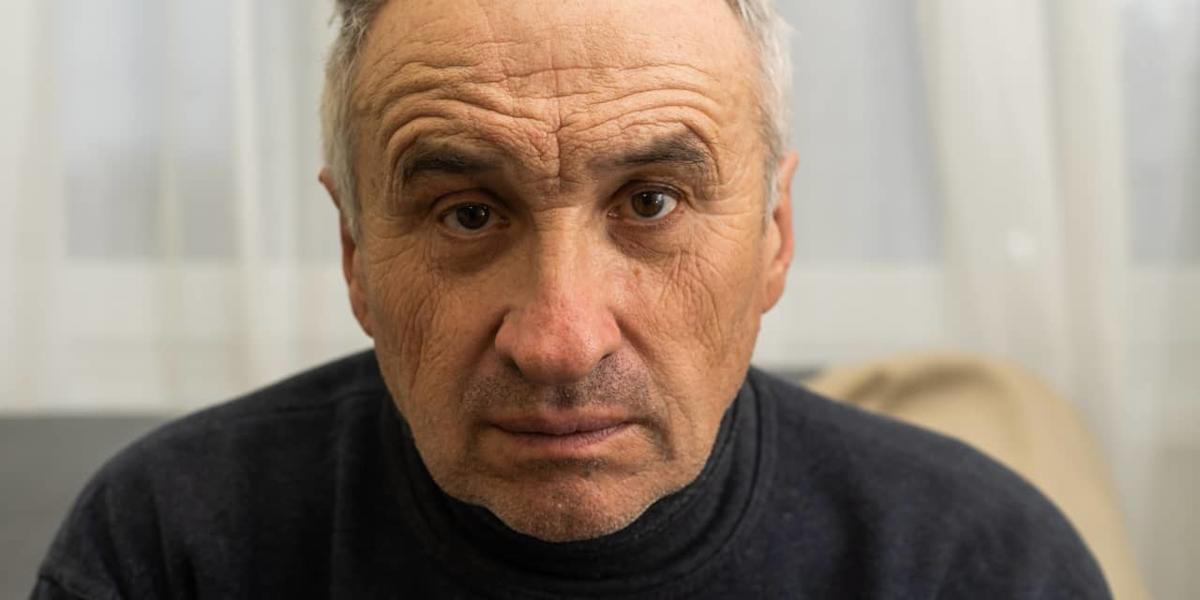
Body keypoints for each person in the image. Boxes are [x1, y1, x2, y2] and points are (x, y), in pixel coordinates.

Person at [32, 0, 1111, 597]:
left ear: (774, 235)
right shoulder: (171, 545)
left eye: (651, 202)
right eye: (467, 213)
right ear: (355, 251)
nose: (560, 341)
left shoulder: (977, 564)